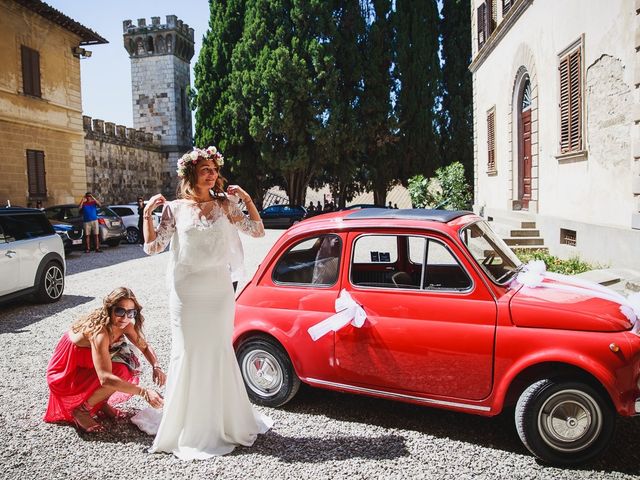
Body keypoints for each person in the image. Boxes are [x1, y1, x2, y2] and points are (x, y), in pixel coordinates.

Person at [142, 145, 272, 459]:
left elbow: (257, 231)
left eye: (214, 169)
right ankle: (185, 423)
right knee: (187, 350)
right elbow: (152, 247)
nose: (212, 174)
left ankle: (222, 420)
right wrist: (147, 214)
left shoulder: (226, 205)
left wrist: (249, 201)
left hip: (217, 289)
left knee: (217, 349)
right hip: (186, 291)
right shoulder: (174, 208)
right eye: (206, 170)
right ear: (191, 175)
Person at [44, 287, 165, 432]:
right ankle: (81, 410)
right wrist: (144, 392)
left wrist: (156, 366)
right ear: (110, 309)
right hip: (67, 372)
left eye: (131, 313)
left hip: (89, 361)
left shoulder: (125, 324)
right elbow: (105, 379)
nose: (125, 318)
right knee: (117, 373)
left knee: (125, 368)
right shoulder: (100, 332)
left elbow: (144, 347)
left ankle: (100, 402)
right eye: (120, 311)